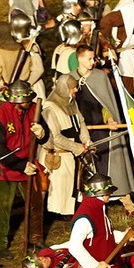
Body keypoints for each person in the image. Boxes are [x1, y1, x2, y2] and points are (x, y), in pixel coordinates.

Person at [73, 45, 134, 216]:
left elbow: (107, 103)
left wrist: (110, 118)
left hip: (103, 128)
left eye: (93, 58)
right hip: (82, 130)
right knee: (88, 166)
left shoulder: (99, 76)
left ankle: (127, 202)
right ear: (79, 58)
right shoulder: (70, 78)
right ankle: (92, 203)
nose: (92, 62)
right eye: (89, 58)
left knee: (114, 162)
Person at [0, 80, 49, 258]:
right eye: (25, 99)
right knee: (3, 210)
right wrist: (21, 166)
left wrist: (42, 133)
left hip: (30, 163)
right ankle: (1, 246)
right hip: (6, 168)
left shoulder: (35, 110)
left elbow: (45, 136)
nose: (29, 102)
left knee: (36, 205)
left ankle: (36, 241)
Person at [41, 73, 92, 218]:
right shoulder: (50, 107)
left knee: (73, 184)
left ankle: (70, 210)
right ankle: (57, 213)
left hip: (74, 150)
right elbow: (56, 137)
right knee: (61, 185)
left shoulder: (71, 102)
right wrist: (77, 148)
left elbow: (81, 123)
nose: (76, 90)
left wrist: (86, 141)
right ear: (65, 89)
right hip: (60, 153)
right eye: (73, 88)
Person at [0, 12, 46, 100]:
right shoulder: (24, 47)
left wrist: (0, 83)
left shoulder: (26, 47)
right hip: (25, 93)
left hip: (15, 93)